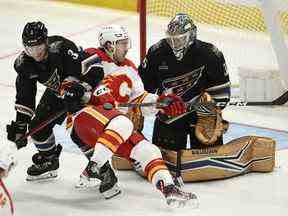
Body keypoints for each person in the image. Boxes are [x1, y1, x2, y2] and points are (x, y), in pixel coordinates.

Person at [68, 25, 198, 207]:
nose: (126, 47)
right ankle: (93, 169)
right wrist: (86, 94)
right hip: (85, 117)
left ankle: (169, 189)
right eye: (121, 43)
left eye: (125, 43)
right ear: (109, 45)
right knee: (124, 123)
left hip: (113, 126)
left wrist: (161, 102)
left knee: (149, 150)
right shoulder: (92, 57)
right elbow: (72, 83)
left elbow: (139, 99)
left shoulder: (129, 67)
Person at [4, 21, 104, 181]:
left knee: (79, 131)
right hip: (60, 92)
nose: (35, 53)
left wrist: (82, 88)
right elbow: (25, 97)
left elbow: (96, 67)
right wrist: (21, 125)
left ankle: (103, 169)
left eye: (39, 47)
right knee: (37, 128)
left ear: (46, 42)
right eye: (30, 48)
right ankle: (50, 160)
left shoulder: (62, 47)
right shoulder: (24, 64)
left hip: (85, 89)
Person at [138, 13, 231, 150]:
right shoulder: (156, 52)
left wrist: (211, 109)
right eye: (171, 39)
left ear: (191, 36)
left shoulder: (210, 54)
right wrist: (141, 109)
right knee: (163, 159)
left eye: (180, 39)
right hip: (170, 113)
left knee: (208, 161)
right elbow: (141, 87)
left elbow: (223, 94)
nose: (174, 43)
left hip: (201, 115)